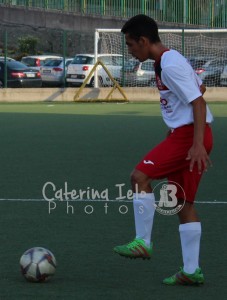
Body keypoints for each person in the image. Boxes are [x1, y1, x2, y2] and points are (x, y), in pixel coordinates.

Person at [113, 14, 213, 286]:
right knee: (182, 204)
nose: (131, 51)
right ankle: (191, 271)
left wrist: (195, 144)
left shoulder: (168, 65)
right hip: (187, 135)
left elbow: (199, 102)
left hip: (189, 137)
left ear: (144, 41)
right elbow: (199, 86)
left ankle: (142, 242)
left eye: (132, 45)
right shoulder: (169, 60)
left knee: (139, 177)